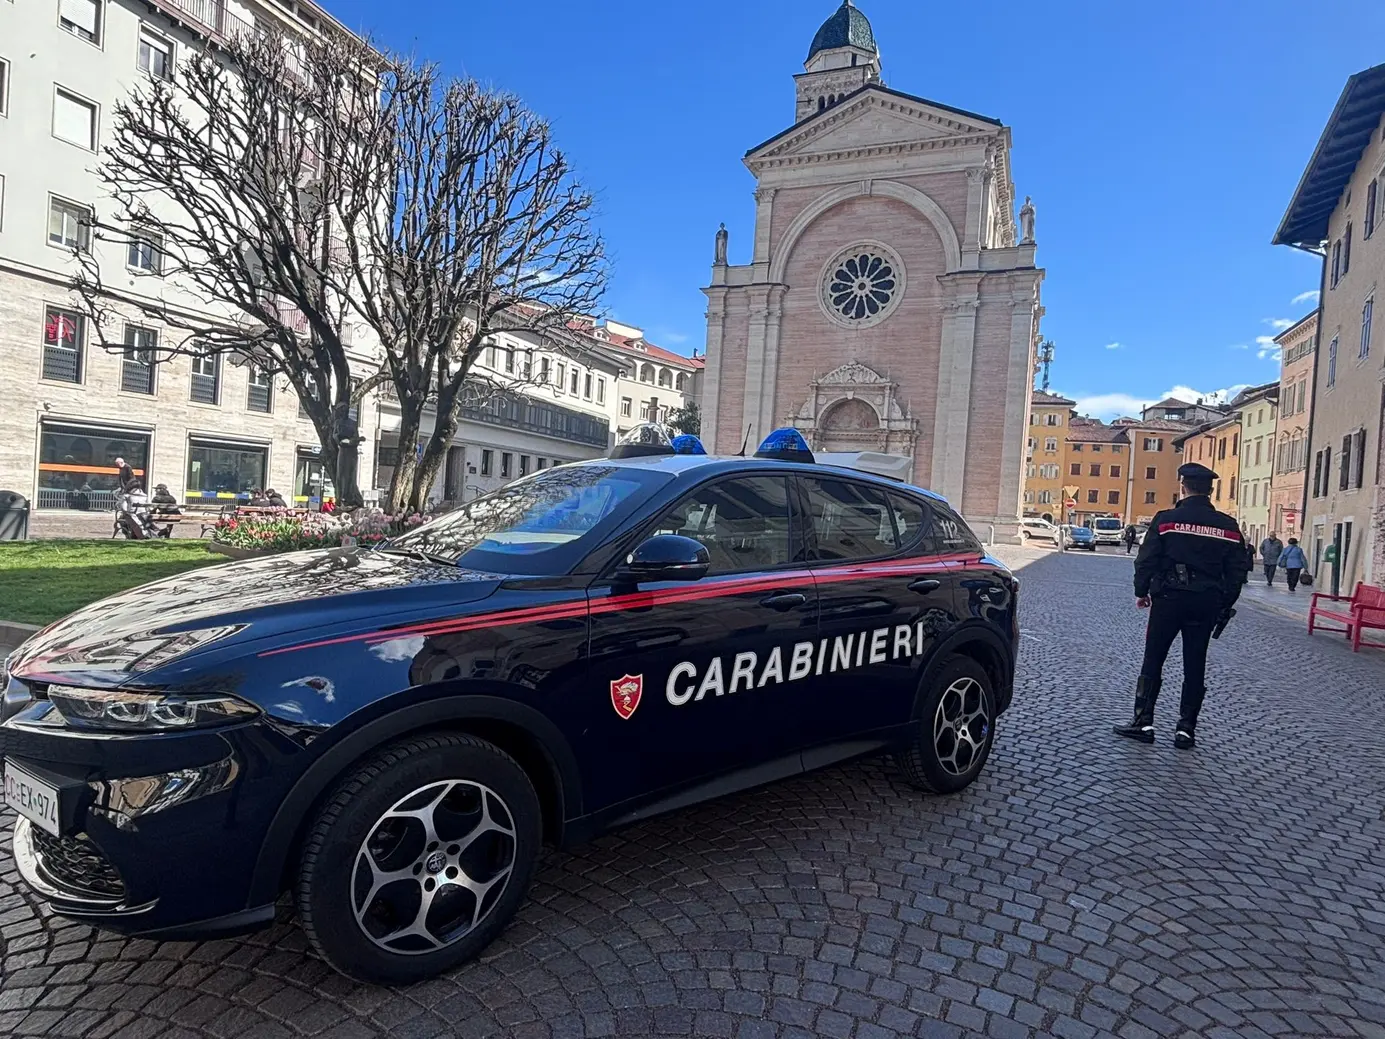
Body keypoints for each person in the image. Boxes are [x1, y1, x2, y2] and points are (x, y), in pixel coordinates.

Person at [1114, 462, 1246, 750]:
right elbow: (1238, 571)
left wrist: (1142, 591)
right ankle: (1186, 729)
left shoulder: (1166, 520)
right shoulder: (1228, 526)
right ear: (1211, 490)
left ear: (1183, 486)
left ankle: (1143, 722)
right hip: (1206, 602)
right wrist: (1224, 603)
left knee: (1154, 659)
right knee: (1195, 664)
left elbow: (1146, 560)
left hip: (1169, 599)